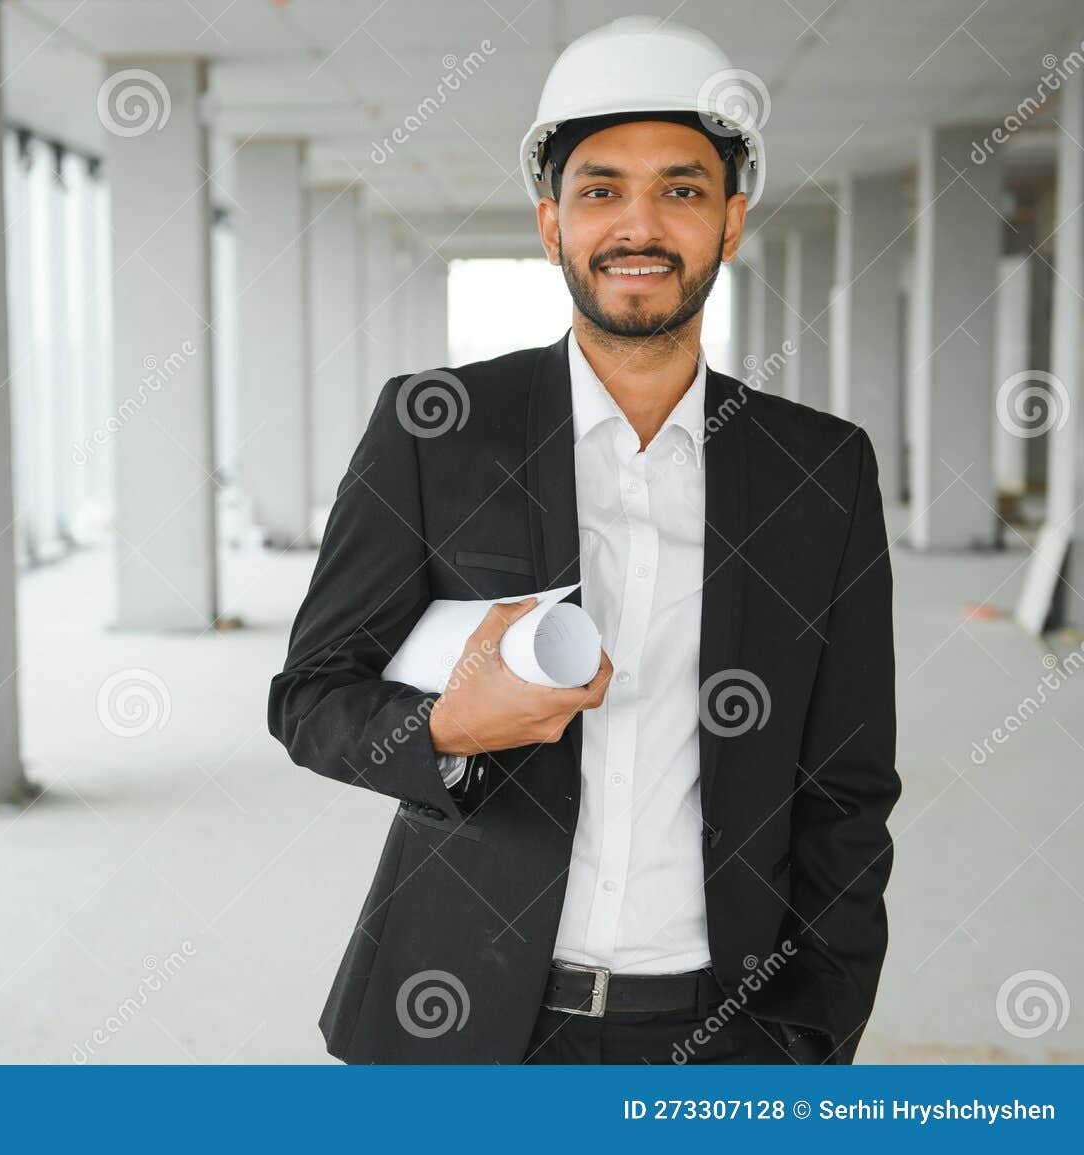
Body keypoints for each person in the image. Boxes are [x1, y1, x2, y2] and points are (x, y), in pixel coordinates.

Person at [267, 16, 899, 1065]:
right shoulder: (438, 427)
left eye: (681, 189)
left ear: (732, 221)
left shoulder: (818, 469)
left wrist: (813, 1030)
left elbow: (846, 782)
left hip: (724, 1034)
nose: (638, 225)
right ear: (550, 222)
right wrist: (445, 729)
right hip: (458, 1013)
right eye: (600, 189)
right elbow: (312, 696)